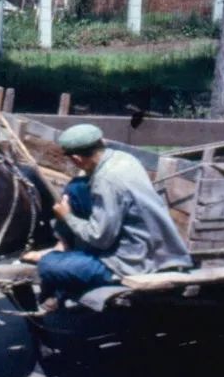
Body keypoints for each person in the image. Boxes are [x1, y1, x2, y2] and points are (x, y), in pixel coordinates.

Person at [22, 123, 193, 311]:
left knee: (48, 265)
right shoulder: (122, 157)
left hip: (133, 259)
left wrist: (67, 217)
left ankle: (88, 270)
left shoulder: (107, 181)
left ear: (77, 159)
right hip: (145, 240)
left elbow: (100, 239)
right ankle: (64, 246)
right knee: (75, 187)